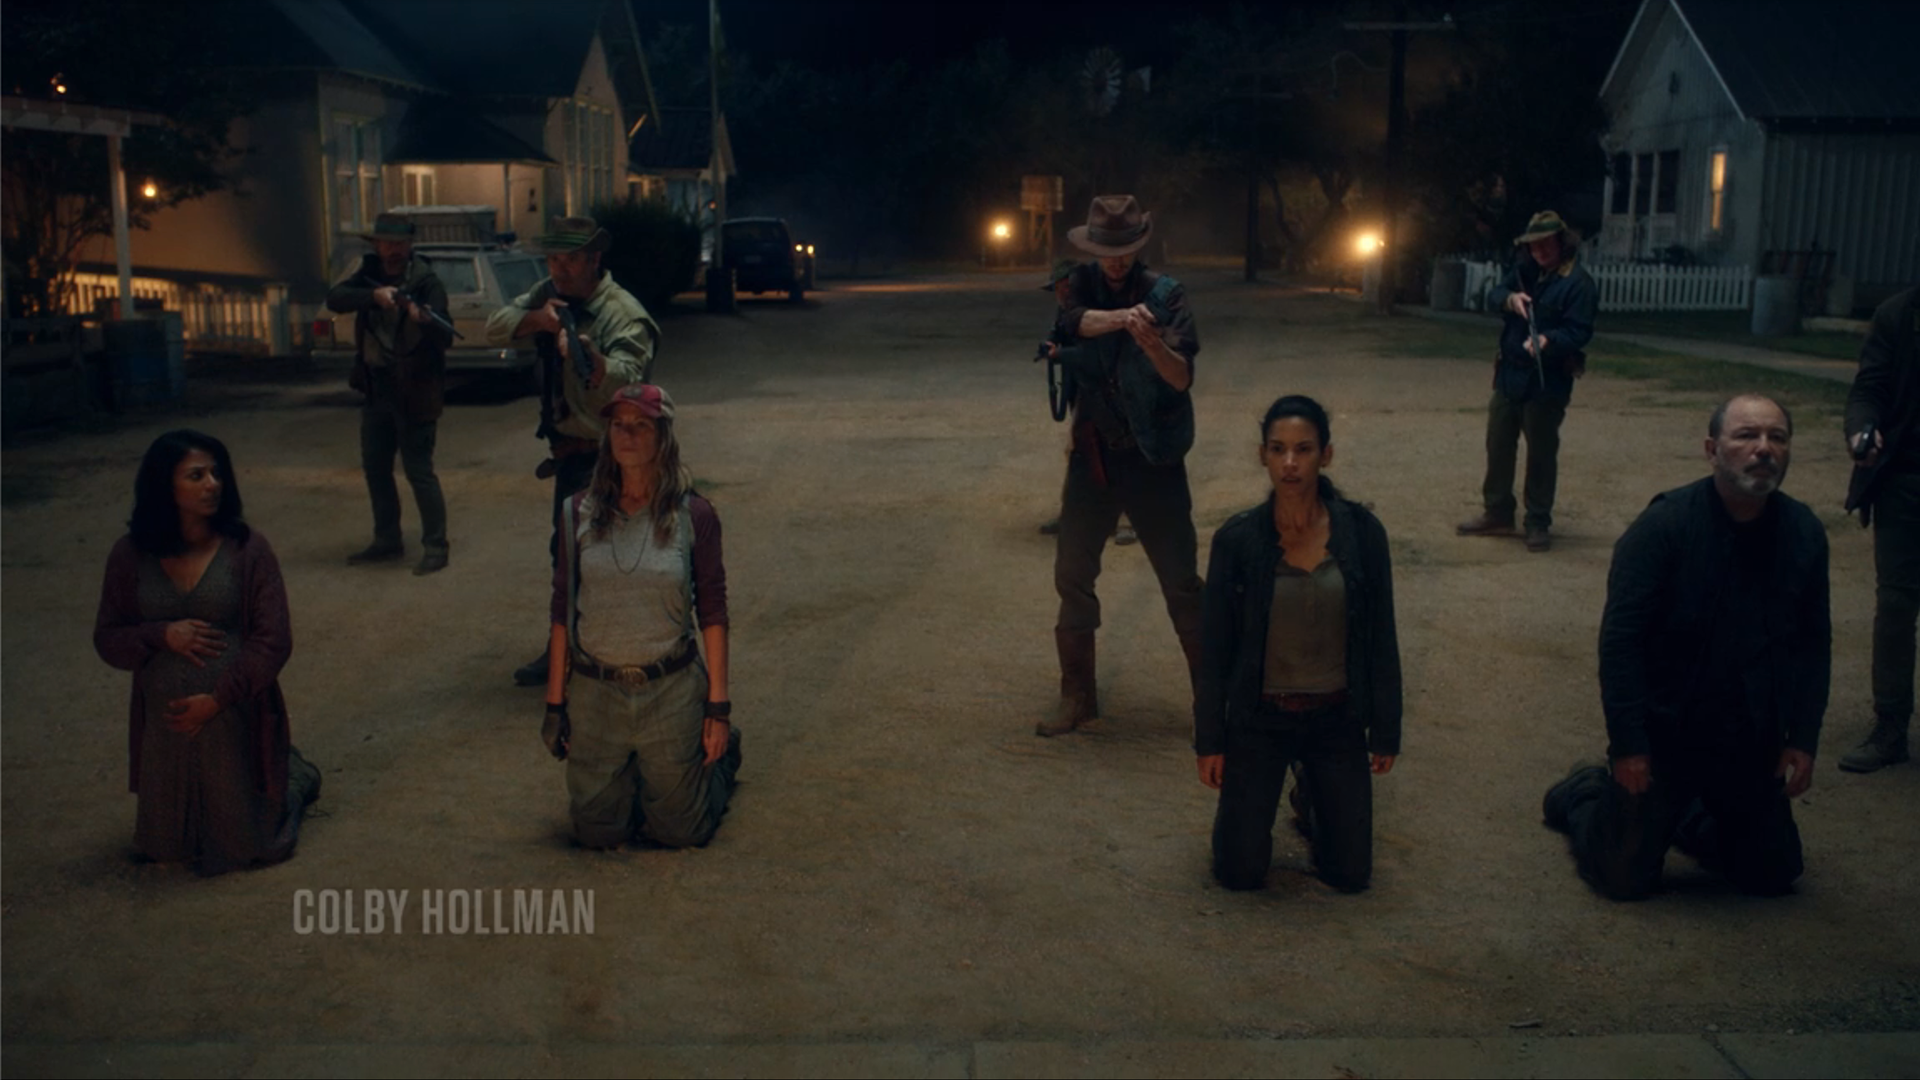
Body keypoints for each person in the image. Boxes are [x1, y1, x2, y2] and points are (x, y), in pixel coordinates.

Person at [1543, 395, 1829, 900]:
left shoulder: (1803, 532)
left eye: (1777, 438)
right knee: (1622, 879)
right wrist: (1629, 745)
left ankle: (1683, 817)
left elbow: (1813, 643)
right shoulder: (1664, 527)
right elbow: (1621, 644)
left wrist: (1802, 738)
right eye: (1746, 436)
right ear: (1712, 450)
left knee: (1771, 874)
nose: (1764, 449)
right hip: (1665, 738)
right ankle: (1586, 793)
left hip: (1748, 740)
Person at [1195, 395, 1402, 892]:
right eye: (1278, 449)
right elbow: (1214, 652)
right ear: (1262, 455)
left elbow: (1381, 637)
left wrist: (1385, 731)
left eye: (1303, 449)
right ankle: (1260, 803)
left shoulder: (1362, 535)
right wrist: (1211, 741)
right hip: (1261, 720)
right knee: (1239, 872)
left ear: (1325, 455)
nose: (1290, 463)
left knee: (1349, 875)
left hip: (1336, 718)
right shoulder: (1238, 542)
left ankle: (1314, 795)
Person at [93, 430, 321, 875]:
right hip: (165, 726)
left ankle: (296, 777)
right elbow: (107, 638)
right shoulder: (130, 554)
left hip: (232, 709)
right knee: (164, 849)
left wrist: (217, 699)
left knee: (245, 848)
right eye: (196, 475)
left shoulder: (247, 549)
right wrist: (160, 634)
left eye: (217, 474)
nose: (212, 484)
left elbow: (273, 639)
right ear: (164, 485)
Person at [540, 384, 740, 849]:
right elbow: (561, 610)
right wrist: (555, 705)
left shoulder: (694, 515)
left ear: (663, 436)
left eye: (641, 426)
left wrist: (718, 709)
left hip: (670, 690)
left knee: (680, 832)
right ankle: (632, 770)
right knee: (597, 833)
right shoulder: (577, 513)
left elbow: (713, 611)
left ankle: (722, 764)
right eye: (618, 425)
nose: (627, 435)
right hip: (596, 693)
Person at [1040, 194, 1203, 737]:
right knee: (1072, 573)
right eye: (1106, 251)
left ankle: (1212, 701)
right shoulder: (1080, 284)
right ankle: (1077, 695)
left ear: (1139, 246)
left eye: (1124, 250)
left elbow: (1181, 376)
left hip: (1154, 457)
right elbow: (1072, 323)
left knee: (1181, 581)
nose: (1115, 261)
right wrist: (1122, 319)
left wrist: (1152, 343)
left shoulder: (1167, 293)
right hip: (1094, 455)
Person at [485, 215, 659, 687]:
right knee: (567, 556)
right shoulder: (550, 293)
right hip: (572, 454)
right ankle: (566, 650)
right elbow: (494, 326)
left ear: (594, 260)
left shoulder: (621, 312)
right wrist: (539, 319)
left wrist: (595, 363)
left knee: (618, 557)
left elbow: (633, 378)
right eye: (553, 259)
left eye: (572, 260)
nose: (560, 269)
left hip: (617, 456)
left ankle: (625, 652)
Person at [1457, 210, 1597, 553]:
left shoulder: (1578, 283)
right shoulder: (1523, 271)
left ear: (1561, 243)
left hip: (1547, 380)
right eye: (1534, 246)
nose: (1539, 252)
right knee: (1498, 443)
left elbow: (1579, 331)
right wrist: (1510, 299)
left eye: (1546, 244)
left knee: (1541, 451)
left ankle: (1537, 521)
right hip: (1510, 373)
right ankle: (1498, 511)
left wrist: (1550, 340)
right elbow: (1493, 295)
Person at [326, 212, 454, 575]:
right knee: (376, 467)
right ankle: (386, 539)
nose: (393, 250)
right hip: (376, 386)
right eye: (386, 243)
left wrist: (423, 319)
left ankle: (436, 546)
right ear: (377, 245)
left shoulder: (426, 282)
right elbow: (336, 298)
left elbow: (445, 334)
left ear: (410, 245)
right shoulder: (368, 272)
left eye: (399, 244)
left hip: (416, 389)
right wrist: (374, 296)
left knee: (419, 470)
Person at [1838, 286, 1920, 772]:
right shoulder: (1899, 314)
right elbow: (1869, 388)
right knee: (1895, 604)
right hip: (1905, 481)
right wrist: (1861, 430)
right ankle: (1890, 725)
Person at [1038, 257, 1134, 545]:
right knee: (1079, 454)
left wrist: (1061, 354)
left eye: (1067, 286)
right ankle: (1073, 513)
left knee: (1119, 455)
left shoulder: (1097, 313)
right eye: (1059, 287)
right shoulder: (1067, 310)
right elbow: (1060, 334)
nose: (1063, 293)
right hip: (1083, 393)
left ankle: (1128, 520)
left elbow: (1098, 356)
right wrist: (1051, 345)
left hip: (1111, 395)